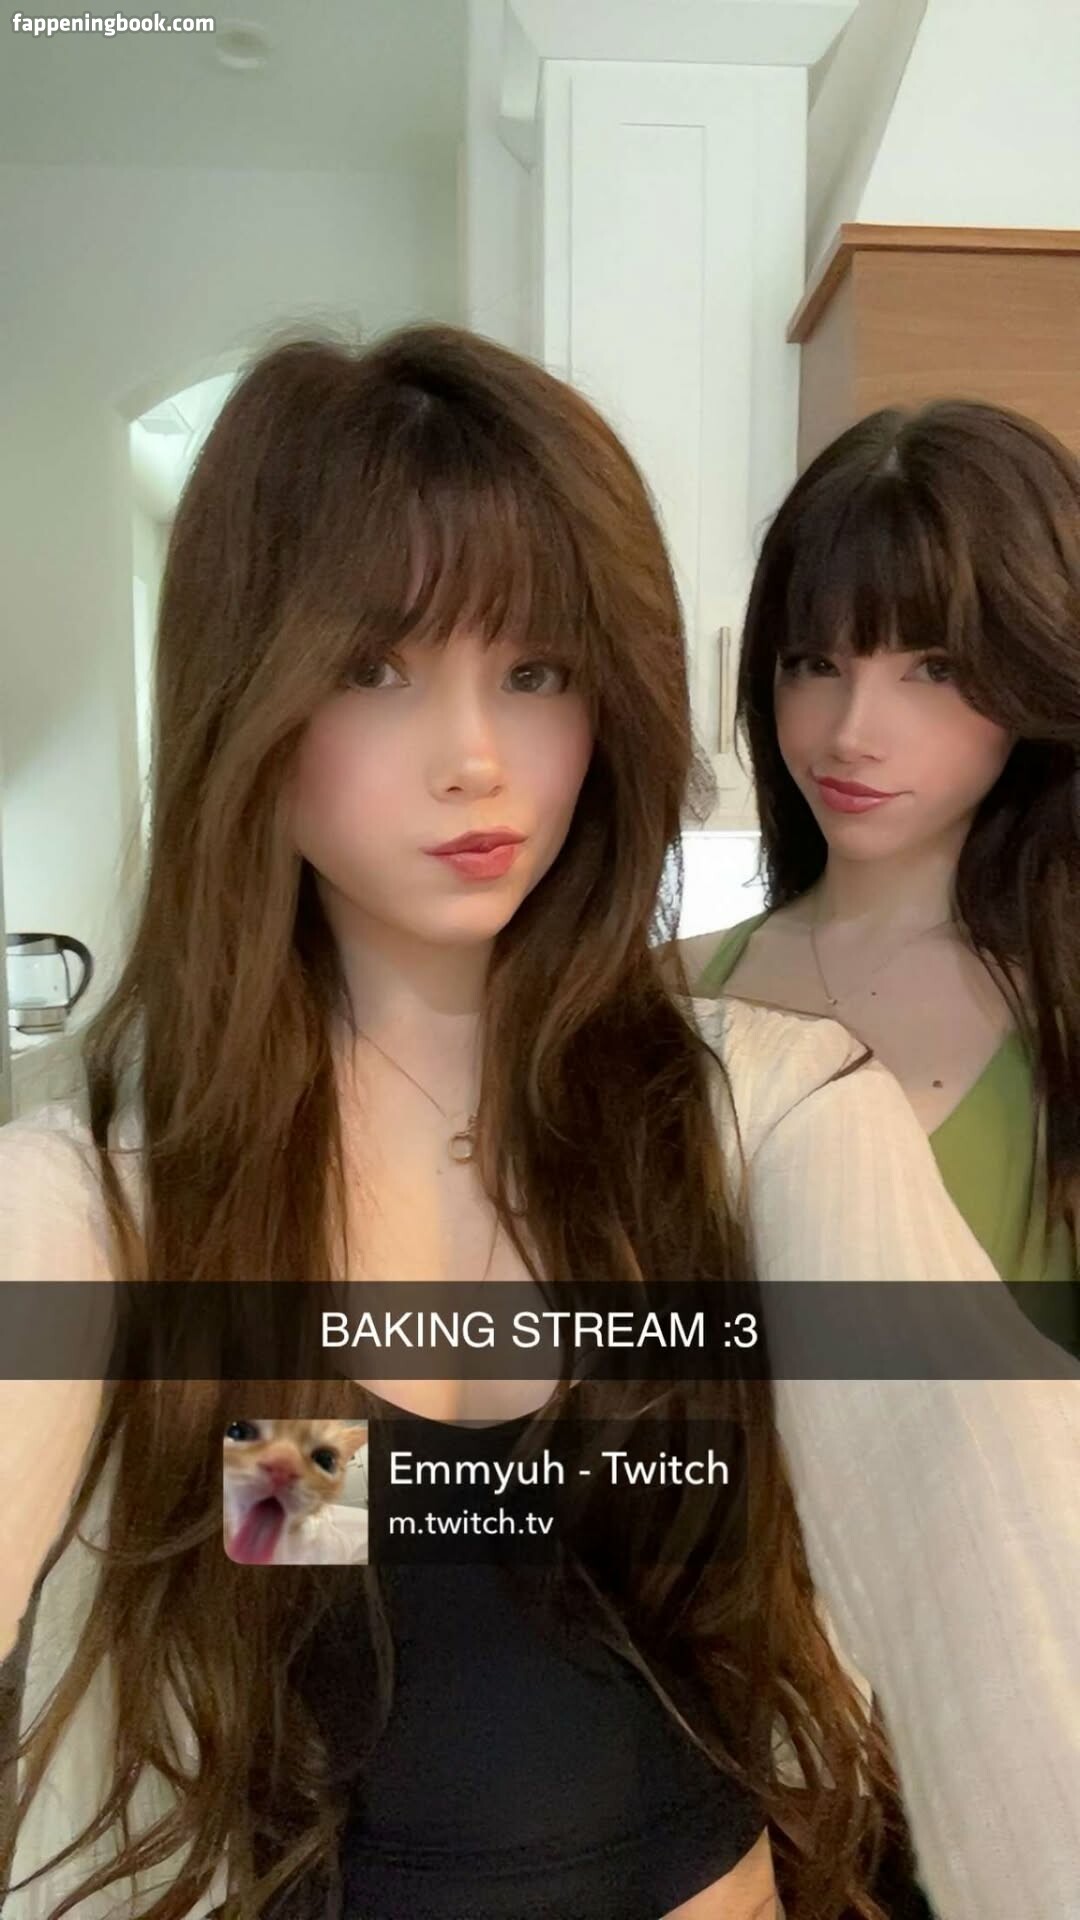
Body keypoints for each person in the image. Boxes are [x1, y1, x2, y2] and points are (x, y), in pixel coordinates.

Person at [1, 329, 1078, 1920]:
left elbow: (989, 1542)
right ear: (251, 686)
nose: (476, 761)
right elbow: (322, 1528)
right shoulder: (115, 1192)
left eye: (537, 671)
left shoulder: (760, 1112)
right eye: (375, 669)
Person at [682, 400, 1080, 1351]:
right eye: (814, 662)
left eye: (935, 667)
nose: (852, 734)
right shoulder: (665, 993)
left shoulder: (1062, 1017)